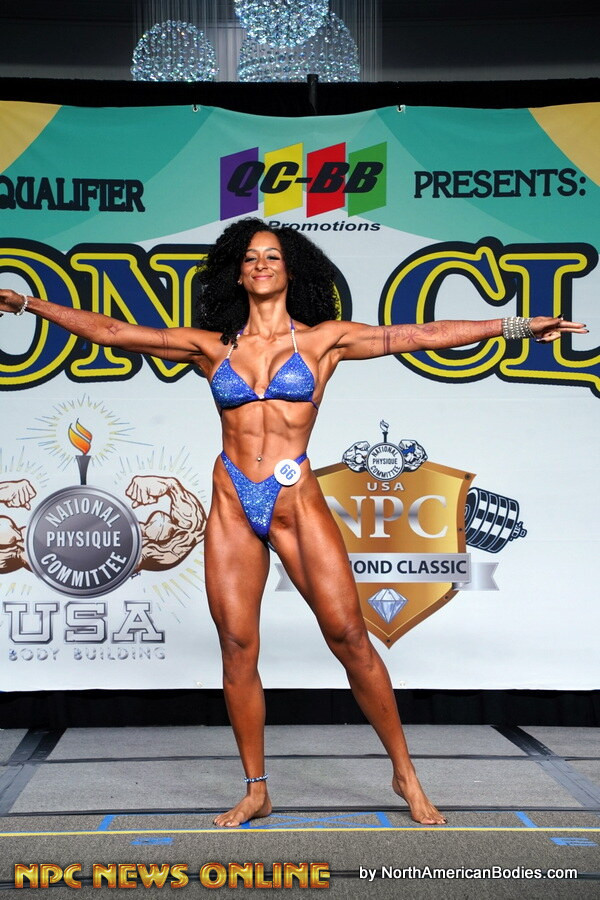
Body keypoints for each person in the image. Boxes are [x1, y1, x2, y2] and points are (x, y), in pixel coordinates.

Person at [0, 218, 587, 827]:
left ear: (291, 270)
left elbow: (420, 334)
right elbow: (115, 332)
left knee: (350, 637)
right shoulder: (212, 348)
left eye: (272, 256)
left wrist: (517, 326)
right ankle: (256, 789)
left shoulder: (323, 342)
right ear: (236, 272)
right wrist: (28, 303)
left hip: (294, 502)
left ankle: (405, 775)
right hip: (233, 501)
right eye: (251, 257)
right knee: (237, 646)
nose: (261, 264)